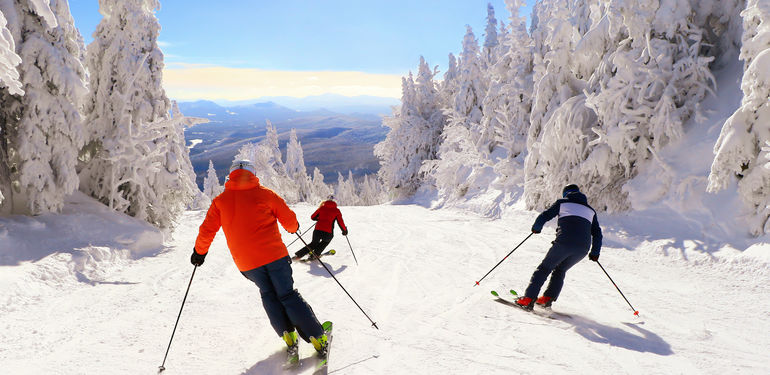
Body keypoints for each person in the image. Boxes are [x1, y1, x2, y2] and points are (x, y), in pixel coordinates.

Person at [191, 160, 328, 357]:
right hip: (275, 257)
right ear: (253, 174)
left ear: (231, 177)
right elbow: (290, 222)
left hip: (247, 264)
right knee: (287, 295)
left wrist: (199, 253)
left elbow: (206, 231)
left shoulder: (220, 201)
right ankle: (317, 337)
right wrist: (294, 227)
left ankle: (288, 335)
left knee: (268, 294)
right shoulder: (265, 194)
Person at [515, 184, 603, 310]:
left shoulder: (563, 202)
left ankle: (528, 299)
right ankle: (547, 299)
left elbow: (545, 216)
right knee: (560, 270)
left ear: (565, 194)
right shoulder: (590, 211)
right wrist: (595, 253)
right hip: (583, 249)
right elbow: (597, 233)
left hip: (564, 243)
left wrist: (536, 228)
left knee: (544, 268)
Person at [293, 195, 348, 260]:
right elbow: (340, 222)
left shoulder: (321, 208)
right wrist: (344, 231)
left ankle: (298, 255)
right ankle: (315, 254)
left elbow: (313, 217)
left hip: (317, 231)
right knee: (325, 242)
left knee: (313, 243)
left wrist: (320, 218)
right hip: (328, 233)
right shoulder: (336, 211)